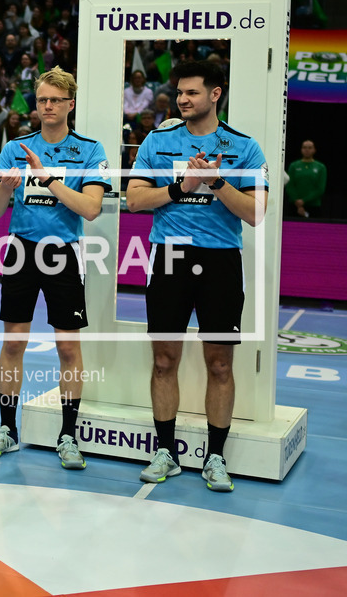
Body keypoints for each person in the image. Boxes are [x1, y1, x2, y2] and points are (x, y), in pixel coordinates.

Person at [126, 60, 269, 493]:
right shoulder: (157, 140)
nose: (182, 100)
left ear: (215, 94)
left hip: (221, 261)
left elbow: (257, 213)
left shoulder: (244, 147)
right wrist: (182, 187)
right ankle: (165, 452)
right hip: (169, 258)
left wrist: (217, 181)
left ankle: (215, 458)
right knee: (164, 359)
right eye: (179, 93)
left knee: (220, 364)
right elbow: (134, 200)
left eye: (191, 93)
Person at [0, 67, 110, 467]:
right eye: (42, 100)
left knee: (68, 346)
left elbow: (90, 209)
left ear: (70, 104)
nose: (48, 106)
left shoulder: (90, 149)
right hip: (21, 250)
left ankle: (68, 435)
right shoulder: (14, 148)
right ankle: (7, 430)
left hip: (63, 253)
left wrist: (48, 178)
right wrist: (4, 187)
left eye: (55, 100)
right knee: (13, 343)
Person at [285, 139, 326, 218]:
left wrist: (304, 201)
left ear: (314, 150)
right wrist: (297, 201)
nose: (307, 150)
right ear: (301, 149)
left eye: (310, 148)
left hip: (313, 206)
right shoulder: (294, 166)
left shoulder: (321, 167)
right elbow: (290, 185)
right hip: (294, 206)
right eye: (304, 147)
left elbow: (320, 189)